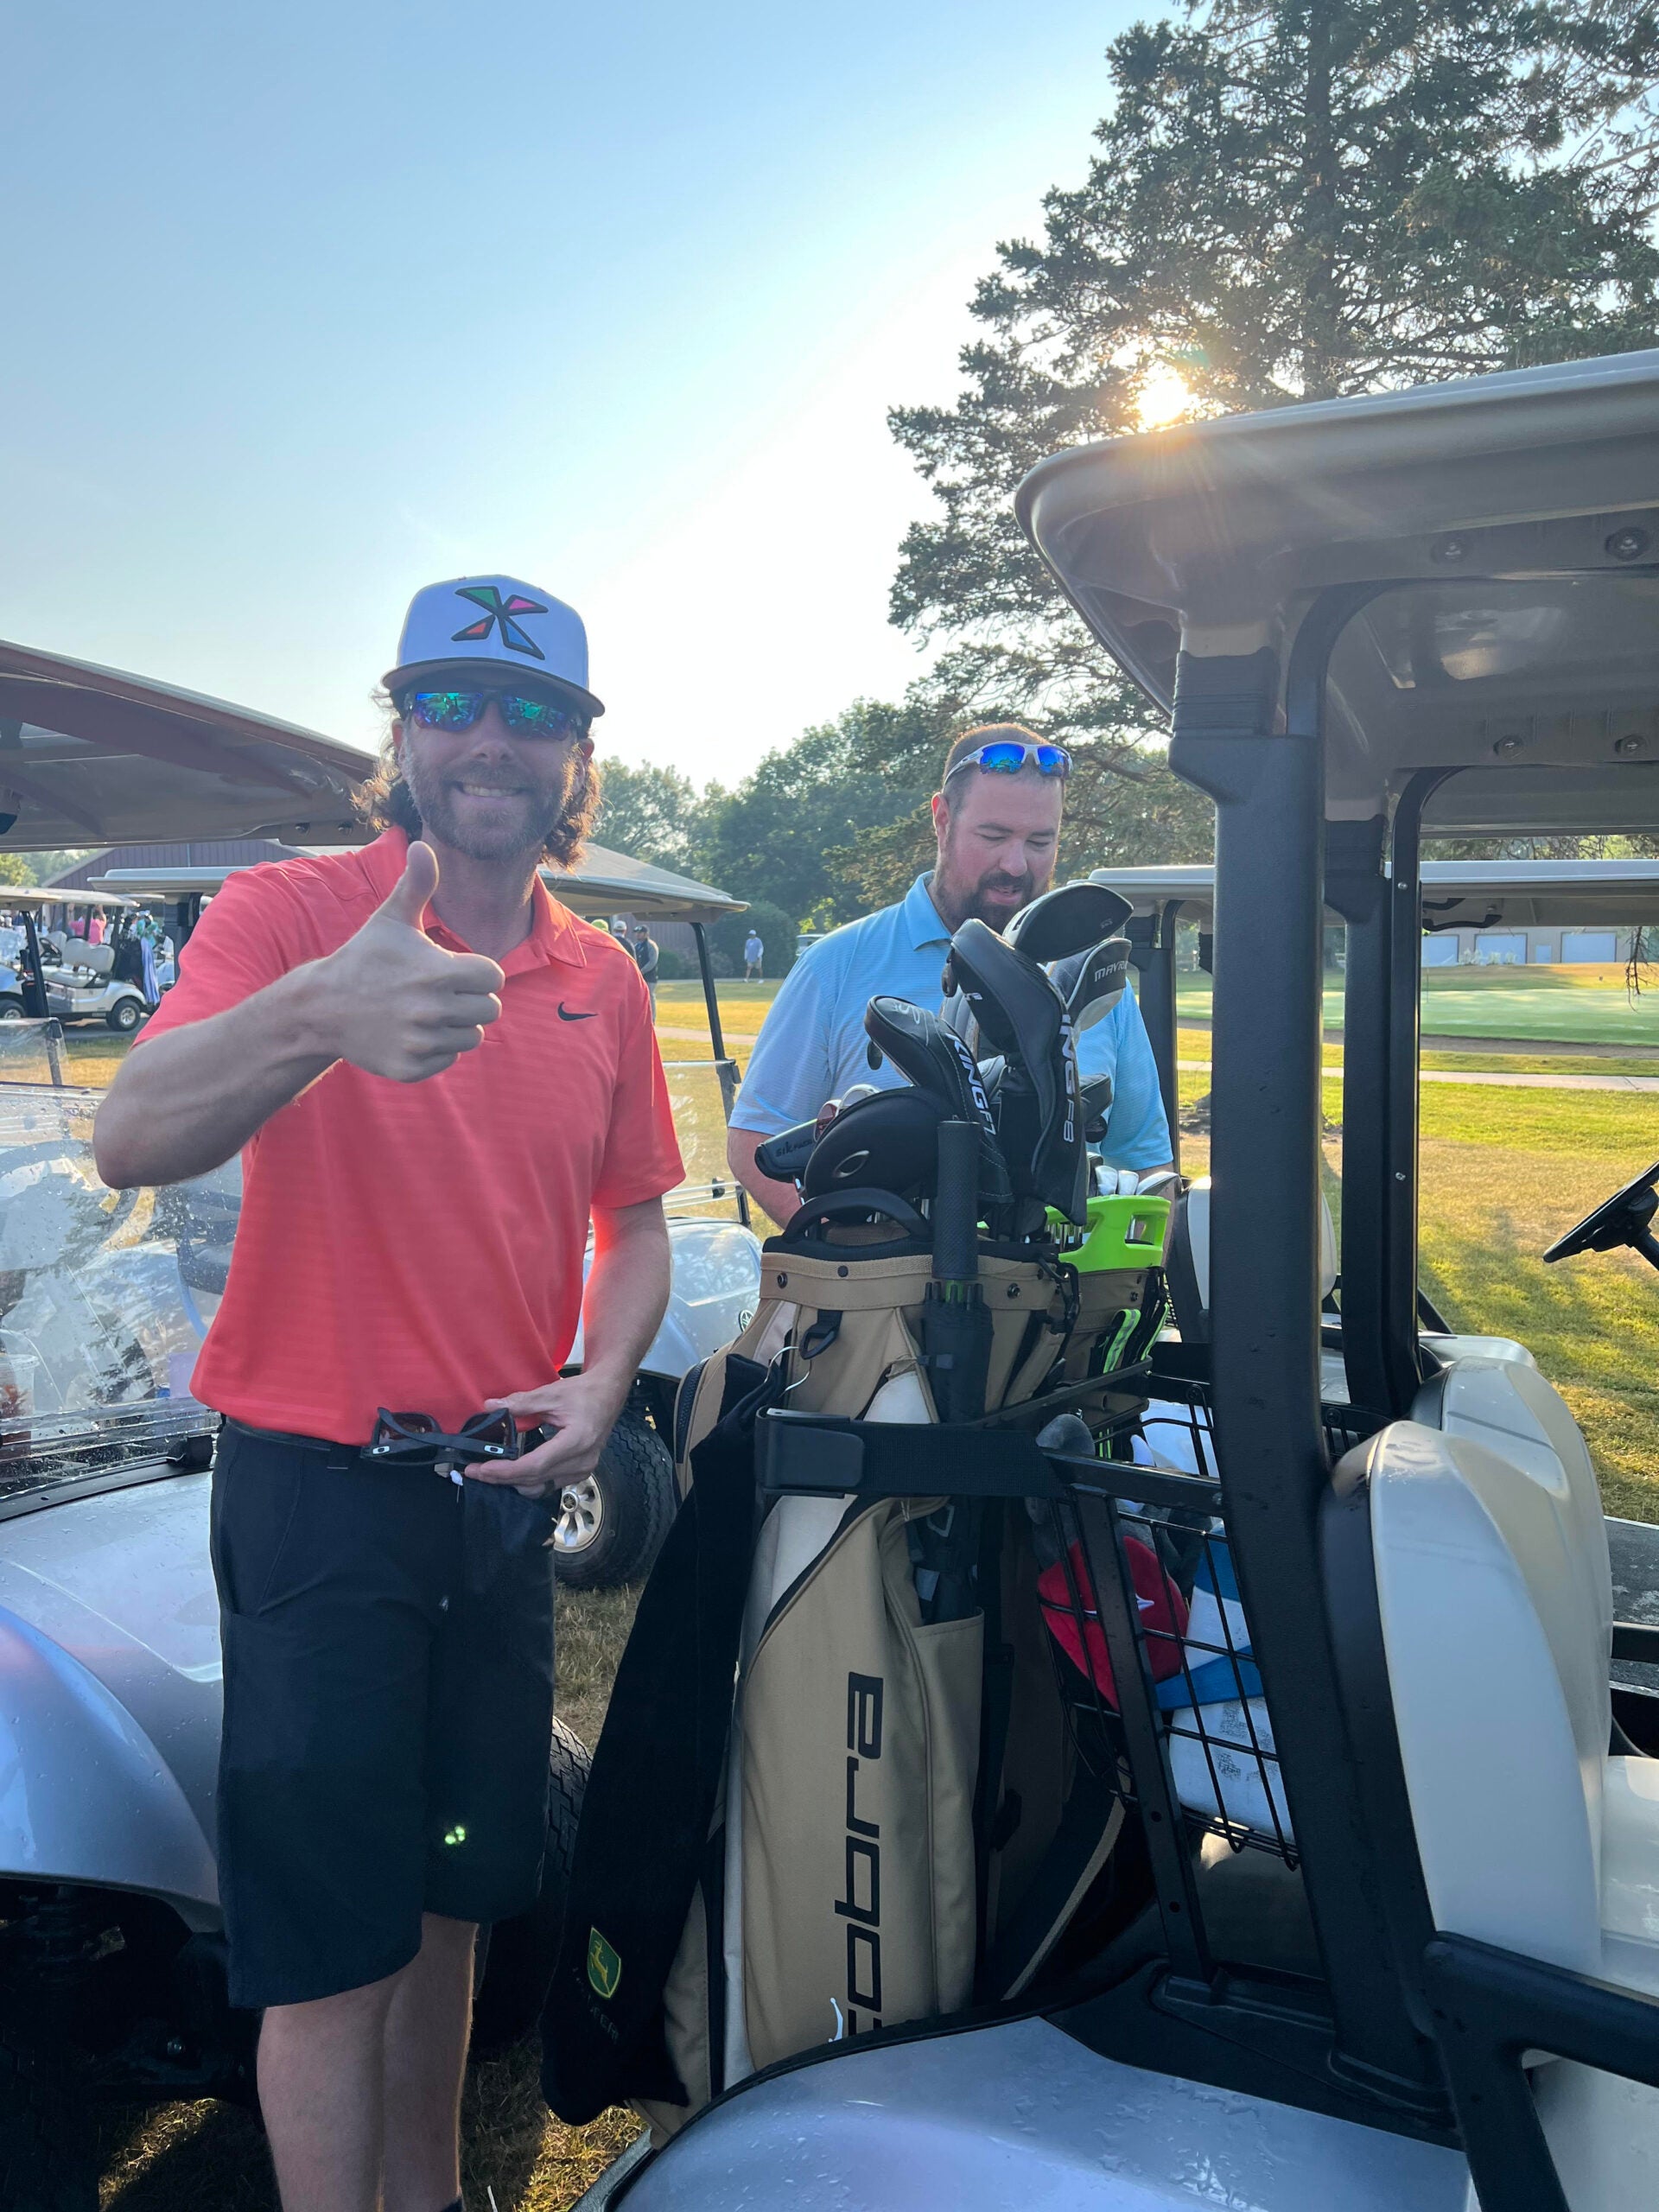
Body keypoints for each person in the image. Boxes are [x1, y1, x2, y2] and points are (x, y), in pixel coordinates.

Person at [93, 574, 683, 2212]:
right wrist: (320, 1014)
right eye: (452, 701)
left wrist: (605, 1378)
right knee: (326, 1945)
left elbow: (634, 1225)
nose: (489, 739)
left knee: (454, 1902)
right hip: (316, 1493)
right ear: (402, 730)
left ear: (578, 755)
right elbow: (132, 1136)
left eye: (534, 712)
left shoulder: (604, 980)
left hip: (496, 1505)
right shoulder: (293, 918)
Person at [728, 723, 1173, 1225]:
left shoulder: (1091, 971)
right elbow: (755, 1142)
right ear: (942, 819)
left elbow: (1146, 1160)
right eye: (994, 835)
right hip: (885, 1297)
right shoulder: (837, 963)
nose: (1016, 864)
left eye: (1040, 841)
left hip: (1066, 1295)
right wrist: (851, 1252)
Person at [630, 919, 659, 1014]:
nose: (638, 935)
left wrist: (642, 971)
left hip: (649, 977)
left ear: (646, 934)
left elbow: (653, 961)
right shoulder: (636, 946)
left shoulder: (651, 946)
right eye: (637, 933)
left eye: (640, 933)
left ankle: (652, 1018)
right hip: (639, 977)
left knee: (650, 997)